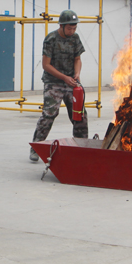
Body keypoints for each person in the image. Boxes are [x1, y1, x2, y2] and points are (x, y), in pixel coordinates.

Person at [30, 9, 88, 162]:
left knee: (79, 114)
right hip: (53, 82)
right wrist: (64, 78)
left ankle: (82, 146)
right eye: (69, 28)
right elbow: (46, 65)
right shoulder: (51, 39)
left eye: (74, 28)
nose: (72, 31)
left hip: (71, 82)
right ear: (61, 26)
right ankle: (36, 147)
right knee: (49, 114)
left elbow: (77, 59)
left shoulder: (75, 38)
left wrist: (76, 73)